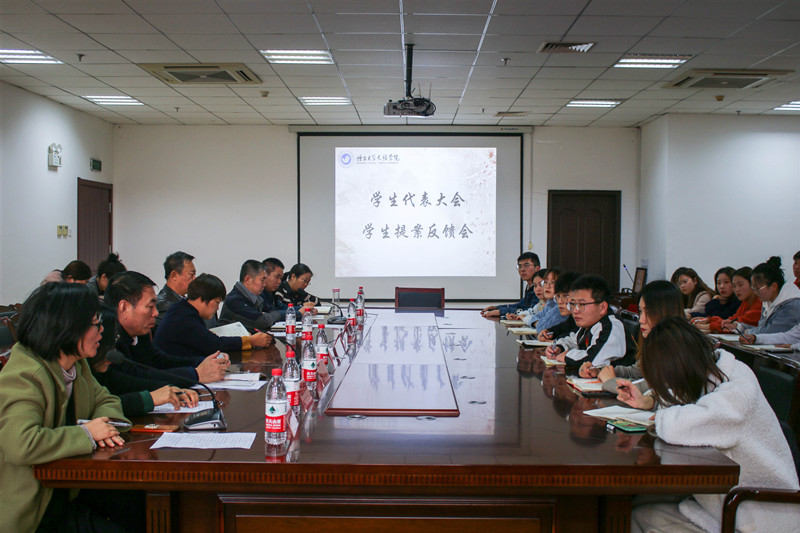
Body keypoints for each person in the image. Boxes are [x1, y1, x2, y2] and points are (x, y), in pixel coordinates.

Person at [617, 318, 799, 533]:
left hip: (759, 515)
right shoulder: (711, 372)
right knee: (638, 501)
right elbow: (681, 399)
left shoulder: (737, 388)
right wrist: (651, 402)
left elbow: (683, 425)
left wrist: (660, 418)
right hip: (733, 502)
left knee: (639, 515)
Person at [0, 283, 138, 533]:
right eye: (95, 322)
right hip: (34, 511)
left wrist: (103, 427)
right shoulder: (25, 374)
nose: (101, 329)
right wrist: (87, 434)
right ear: (67, 327)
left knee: (139, 504)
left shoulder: (76, 364)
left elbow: (107, 400)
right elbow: (21, 444)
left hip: (68, 491)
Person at [104, 271, 229, 385]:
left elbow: (159, 361)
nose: (156, 313)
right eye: (150, 306)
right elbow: (137, 379)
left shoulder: (140, 333)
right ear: (124, 308)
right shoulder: (107, 341)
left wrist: (203, 362)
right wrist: (196, 374)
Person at [578, 280, 683, 394]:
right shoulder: (654, 343)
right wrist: (600, 371)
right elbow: (637, 372)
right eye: (640, 312)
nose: (641, 320)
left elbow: (650, 389)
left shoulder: (676, 348)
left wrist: (611, 381)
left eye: (648, 313)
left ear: (666, 313)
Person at [91, 314, 199, 417]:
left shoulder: (141, 336)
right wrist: (150, 398)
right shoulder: (87, 368)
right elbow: (100, 407)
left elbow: (129, 383)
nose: (156, 313)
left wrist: (168, 389)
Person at [155, 273, 272, 359]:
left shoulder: (182, 309)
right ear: (201, 299)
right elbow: (214, 344)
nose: (217, 309)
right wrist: (251, 341)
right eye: (216, 302)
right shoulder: (184, 317)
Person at [545, 275, 626, 368]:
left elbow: (594, 359)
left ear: (602, 307)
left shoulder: (612, 326)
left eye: (582, 304)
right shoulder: (590, 323)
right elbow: (573, 340)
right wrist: (559, 348)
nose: (575, 310)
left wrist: (567, 356)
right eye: (573, 304)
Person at [743, 256, 800, 335]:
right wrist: (739, 327)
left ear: (773, 286)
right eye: (753, 288)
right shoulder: (768, 300)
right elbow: (762, 328)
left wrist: (748, 332)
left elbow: (772, 331)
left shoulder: (792, 304)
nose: (755, 292)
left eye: (758, 288)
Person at [220, 260, 282, 331]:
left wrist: (268, 315)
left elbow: (273, 310)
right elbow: (263, 322)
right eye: (262, 280)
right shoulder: (235, 300)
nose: (264, 284)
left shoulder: (255, 297)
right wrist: (267, 316)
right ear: (248, 279)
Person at [481, 252, 541, 318]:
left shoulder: (540, 288)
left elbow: (531, 311)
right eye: (520, 266)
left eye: (526, 265)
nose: (522, 269)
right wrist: (497, 308)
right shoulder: (529, 286)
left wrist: (500, 311)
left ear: (537, 268)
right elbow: (520, 305)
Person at [713, 266, 762, 333]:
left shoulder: (760, 302)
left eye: (740, 285)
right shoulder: (745, 302)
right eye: (734, 286)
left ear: (752, 284)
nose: (737, 290)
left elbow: (740, 322)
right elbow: (733, 319)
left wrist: (710, 325)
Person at [536, 271, 581, 342]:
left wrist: (557, 341)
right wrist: (548, 332)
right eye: (558, 296)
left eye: (565, 296)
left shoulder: (585, 321)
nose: (560, 301)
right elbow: (562, 328)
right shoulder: (571, 319)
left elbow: (575, 335)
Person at [155, 251, 196, 326]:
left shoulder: (184, 300)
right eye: (191, 274)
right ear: (174, 275)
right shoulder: (163, 306)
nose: (194, 279)